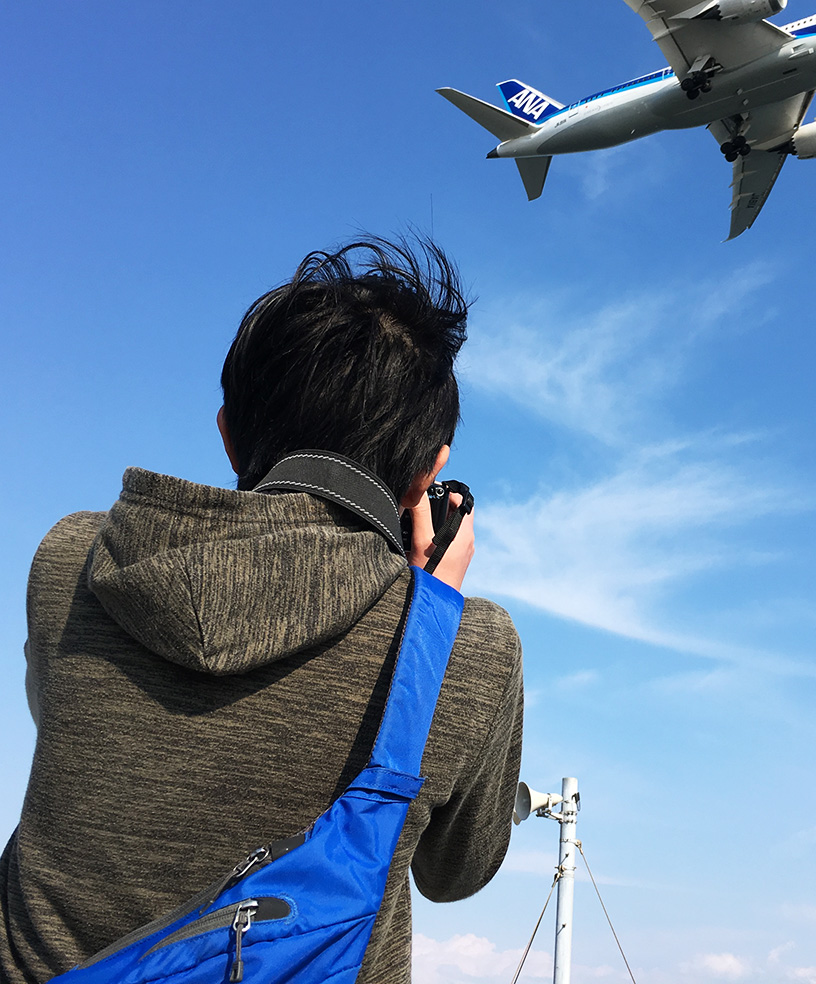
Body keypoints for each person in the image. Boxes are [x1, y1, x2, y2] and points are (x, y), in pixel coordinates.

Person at [0, 237, 523, 984]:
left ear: (228, 433)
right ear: (428, 476)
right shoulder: (471, 647)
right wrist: (430, 613)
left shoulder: (73, 559)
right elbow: (456, 872)